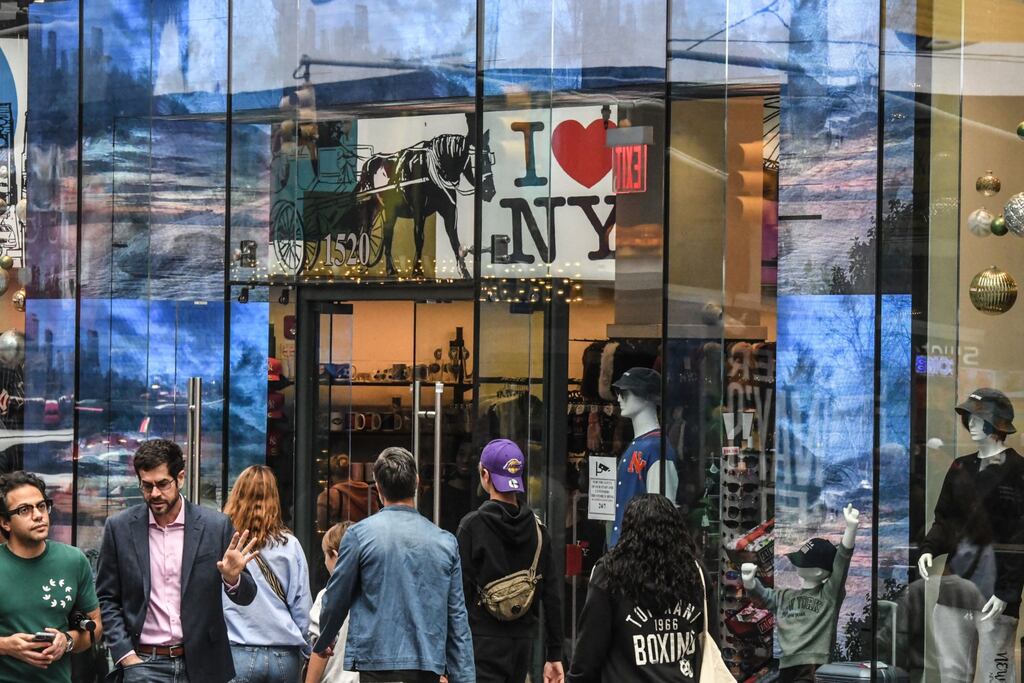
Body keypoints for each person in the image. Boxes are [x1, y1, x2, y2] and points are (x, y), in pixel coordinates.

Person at [96, 439, 259, 683]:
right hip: (143, 664)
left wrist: (233, 578)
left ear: (180, 478)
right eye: (146, 486)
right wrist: (126, 656)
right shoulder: (119, 528)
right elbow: (107, 598)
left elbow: (247, 596)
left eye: (163, 484)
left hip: (204, 664)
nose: (155, 494)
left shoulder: (215, 526)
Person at [312, 446, 475, 683]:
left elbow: (336, 598)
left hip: (376, 662)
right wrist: (465, 678)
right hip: (426, 664)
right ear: (417, 483)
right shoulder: (445, 542)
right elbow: (457, 619)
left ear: (377, 487)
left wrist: (325, 639)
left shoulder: (359, 536)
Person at [568, 494, 711, 682]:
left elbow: (589, 650)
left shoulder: (610, 573)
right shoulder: (694, 573)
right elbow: (711, 640)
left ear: (628, 530)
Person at [456, 438, 564, 683]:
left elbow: (457, 594)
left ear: (485, 475)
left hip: (481, 642)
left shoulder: (472, 526)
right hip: (522, 643)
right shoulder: (539, 531)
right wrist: (554, 653)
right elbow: (552, 596)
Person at [0, 471, 103, 682]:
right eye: (24, 510)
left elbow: (96, 626)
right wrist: (5, 646)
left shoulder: (73, 560)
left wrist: (67, 640)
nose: (38, 515)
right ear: (5, 523)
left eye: (41, 506)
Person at [223, 465, 313, 683]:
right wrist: (310, 652)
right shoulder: (290, 545)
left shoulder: (225, 543)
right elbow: (302, 607)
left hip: (238, 653)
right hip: (284, 657)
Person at [307, 522, 359, 683]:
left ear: (335, 555)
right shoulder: (376, 595)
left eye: (325, 556)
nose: (324, 563)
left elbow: (320, 649)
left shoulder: (327, 596)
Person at [316, 454, 378, 532]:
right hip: (366, 539)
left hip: (341, 541)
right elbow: (376, 518)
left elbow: (322, 527)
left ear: (328, 476)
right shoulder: (367, 490)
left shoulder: (327, 496)